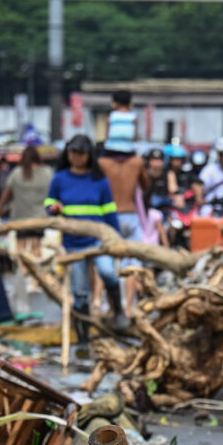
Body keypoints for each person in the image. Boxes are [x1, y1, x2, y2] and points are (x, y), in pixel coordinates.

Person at [47, 134, 130, 337]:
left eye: (81, 153)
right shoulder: (60, 179)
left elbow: (110, 211)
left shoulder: (99, 181)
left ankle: (118, 312)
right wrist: (54, 208)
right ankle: (83, 336)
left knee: (108, 273)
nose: (76, 157)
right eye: (73, 152)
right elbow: (49, 203)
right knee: (80, 291)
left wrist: (115, 238)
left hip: (99, 240)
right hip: (74, 242)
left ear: (88, 155)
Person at [98, 127, 146, 313]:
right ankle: (128, 307)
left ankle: (107, 306)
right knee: (133, 263)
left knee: (106, 262)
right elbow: (146, 184)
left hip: (109, 215)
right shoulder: (137, 162)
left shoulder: (102, 163)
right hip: (130, 214)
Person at [0, 145, 50, 260]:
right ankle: (37, 274)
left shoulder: (17, 173)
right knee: (37, 247)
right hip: (40, 218)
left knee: (21, 248)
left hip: (20, 218)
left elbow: (7, 194)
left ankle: (24, 272)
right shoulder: (47, 173)